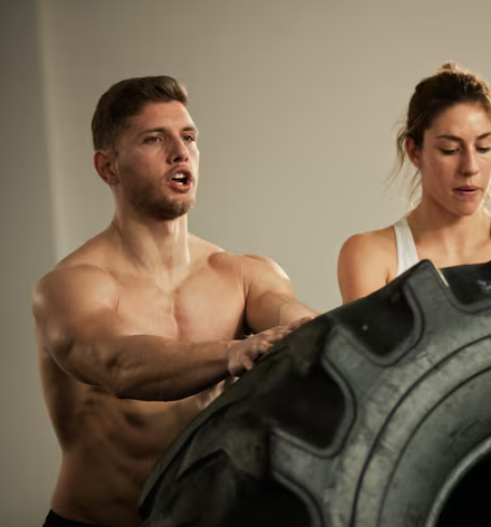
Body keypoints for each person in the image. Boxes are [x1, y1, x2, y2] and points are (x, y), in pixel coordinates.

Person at [31, 76, 317, 527]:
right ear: (108, 168)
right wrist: (233, 351)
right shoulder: (70, 286)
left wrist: (316, 329)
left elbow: (289, 317)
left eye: (188, 137)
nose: (180, 152)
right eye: (154, 139)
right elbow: (116, 363)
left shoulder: (244, 274)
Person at [337, 63, 491, 303]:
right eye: (449, 150)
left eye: (483, 148)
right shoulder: (373, 256)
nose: (470, 167)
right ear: (414, 151)